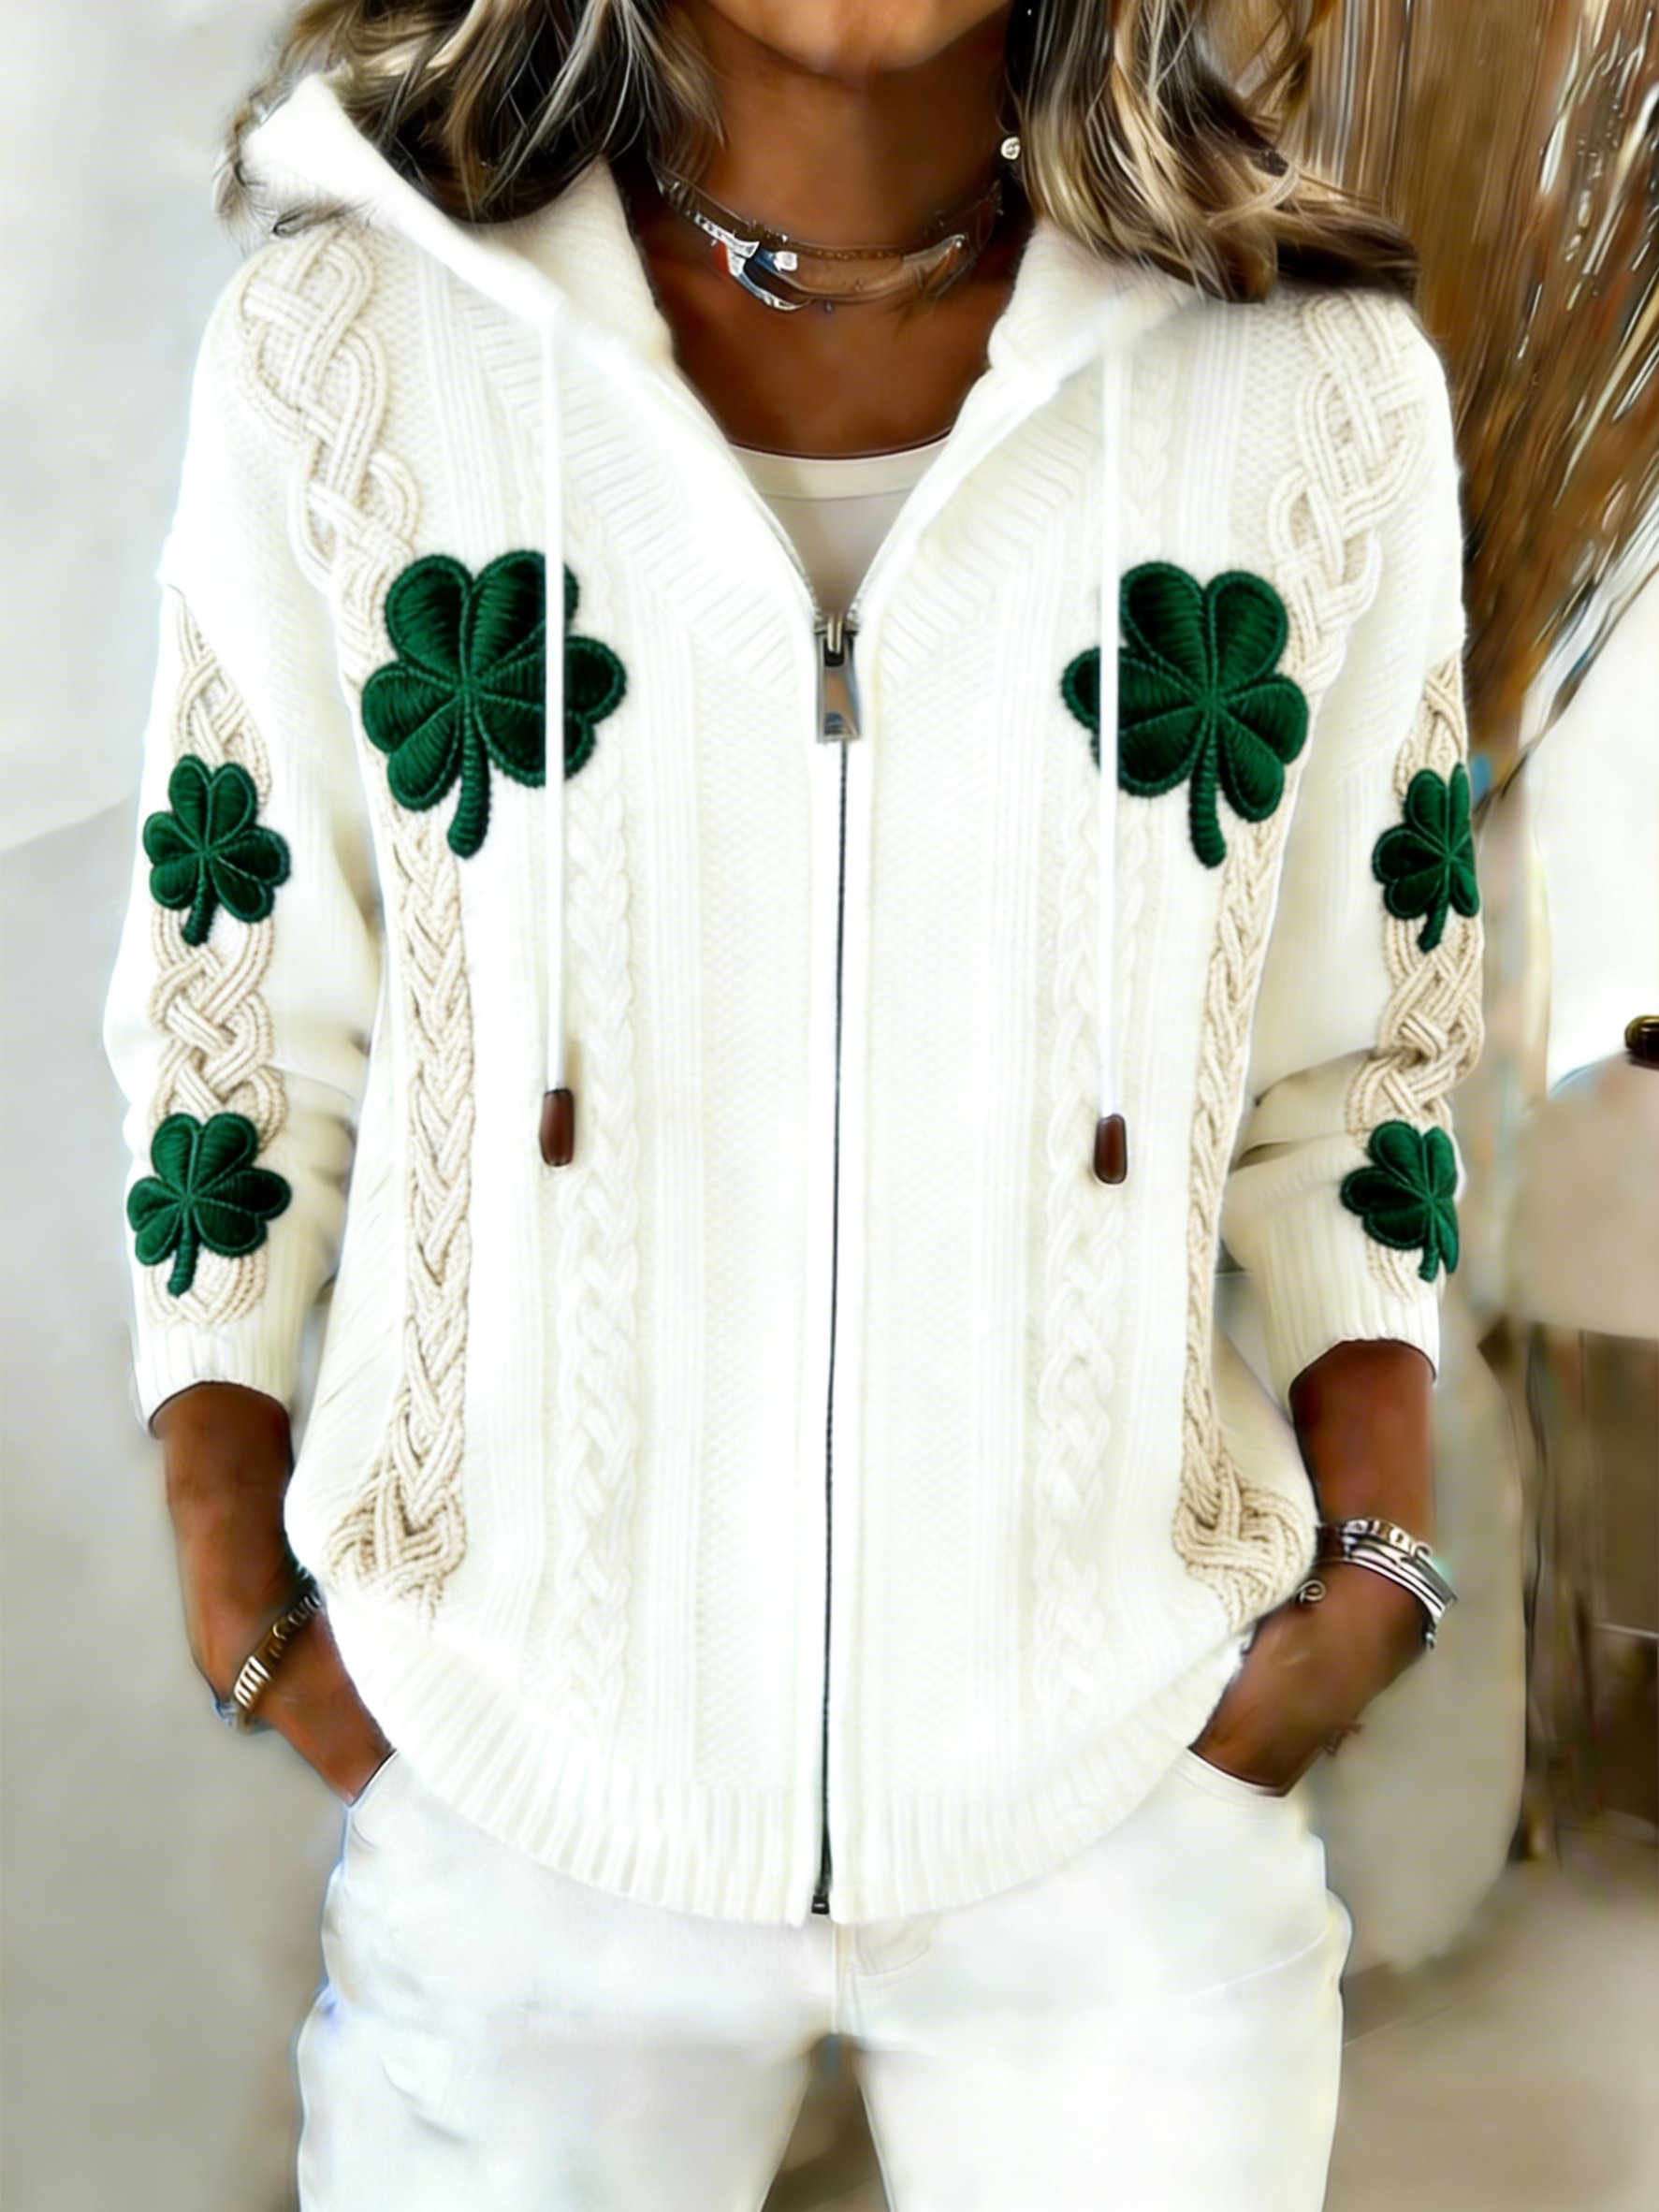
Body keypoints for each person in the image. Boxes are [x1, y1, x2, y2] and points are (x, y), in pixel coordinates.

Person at [103, 1, 1483, 2204]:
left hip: (1121, 1822)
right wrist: (239, 1580)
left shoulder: (1304, 390)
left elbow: (1357, 1046)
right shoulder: (350, 349)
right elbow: (239, 996)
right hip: (521, 1825)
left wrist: (1370, 1575)